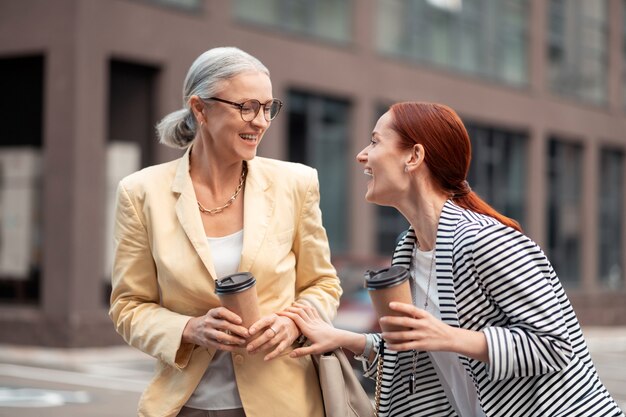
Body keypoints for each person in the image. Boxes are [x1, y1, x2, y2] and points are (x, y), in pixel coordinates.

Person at [280, 102, 624, 417]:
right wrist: (347, 339)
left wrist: (449, 336)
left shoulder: (485, 241)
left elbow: (555, 344)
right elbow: (425, 347)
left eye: (374, 142)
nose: (361, 155)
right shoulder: (409, 251)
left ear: (413, 156)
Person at [109, 47, 342, 417]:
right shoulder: (141, 193)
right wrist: (189, 328)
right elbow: (128, 306)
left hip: (284, 403)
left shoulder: (296, 183)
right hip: (186, 405)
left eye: (268, 107)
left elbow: (324, 285)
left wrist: (292, 321)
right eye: (246, 106)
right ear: (200, 109)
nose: (261, 121)